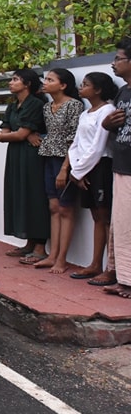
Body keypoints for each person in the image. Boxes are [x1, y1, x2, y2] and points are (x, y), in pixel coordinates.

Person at [67, 72, 118, 286]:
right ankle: (95, 263)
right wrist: (76, 168)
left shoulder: (107, 110)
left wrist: (78, 172)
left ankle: (110, 267)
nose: (81, 87)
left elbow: (98, 146)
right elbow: (76, 143)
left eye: (86, 85)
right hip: (84, 168)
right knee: (97, 216)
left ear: (97, 90)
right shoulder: (86, 113)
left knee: (105, 216)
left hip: (100, 167)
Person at [32, 68, 83, 272]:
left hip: (65, 160)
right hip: (48, 158)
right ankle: (52, 255)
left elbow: (74, 139)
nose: (45, 82)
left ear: (63, 85)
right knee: (53, 207)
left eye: (51, 80)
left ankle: (62, 258)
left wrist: (65, 169)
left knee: (65, 208)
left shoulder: (74, 105)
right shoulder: (47, 107)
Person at [0, 68, 50, 262]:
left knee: (34, 196)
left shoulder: (35, 104)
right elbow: (2, 133)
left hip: (32, 156)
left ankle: (39, 247)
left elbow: (16, 134)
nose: (11, 83)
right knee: (19, 194)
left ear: (27, 84)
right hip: (16, 155)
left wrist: (18, 134)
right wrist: (17, 134)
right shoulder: (12, 106)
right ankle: (28, 242)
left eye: (15, 79)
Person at [102, 38, 131, 299]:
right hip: (120, 166)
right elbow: (112, 127)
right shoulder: (122, 92)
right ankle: (121, 276)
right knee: (119, 225)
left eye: (118, 58)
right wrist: (108, 123)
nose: (114, 63)